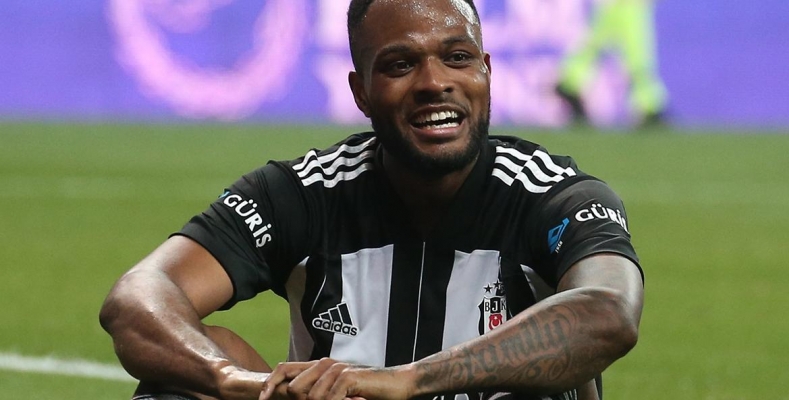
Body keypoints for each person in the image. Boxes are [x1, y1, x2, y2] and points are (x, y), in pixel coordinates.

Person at [99, 0, 645, 399]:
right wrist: (234, 381)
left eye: (457, 57)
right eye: (400, 64)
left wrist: (408, 381)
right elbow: (140, 297)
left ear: (486, 71)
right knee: (181, 379)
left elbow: (608, 311)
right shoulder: (303, 193)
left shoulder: (552, 195)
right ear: (360, 92)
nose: (434, 82)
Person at [555, 0, 668, 128]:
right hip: (628, 5)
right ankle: (649, 105)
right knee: (637, 56)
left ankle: (569, 83)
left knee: (594, 46)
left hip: (615, 6)